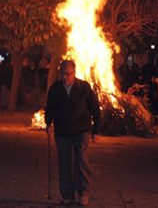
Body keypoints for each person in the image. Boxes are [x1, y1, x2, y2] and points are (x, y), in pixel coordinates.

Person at [45, 60, 101, 206]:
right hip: (62, 132)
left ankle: (83, 193)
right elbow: (49, 108)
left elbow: (95, 108)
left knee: (81, 161)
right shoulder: (55, 89)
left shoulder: (83, 88)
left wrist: (96, 131)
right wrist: (48, 123)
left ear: (74, 73)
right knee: (64, 163)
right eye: (63, 74)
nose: (65, 77)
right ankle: (67, 195)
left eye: (68, 74)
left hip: (81, 130)